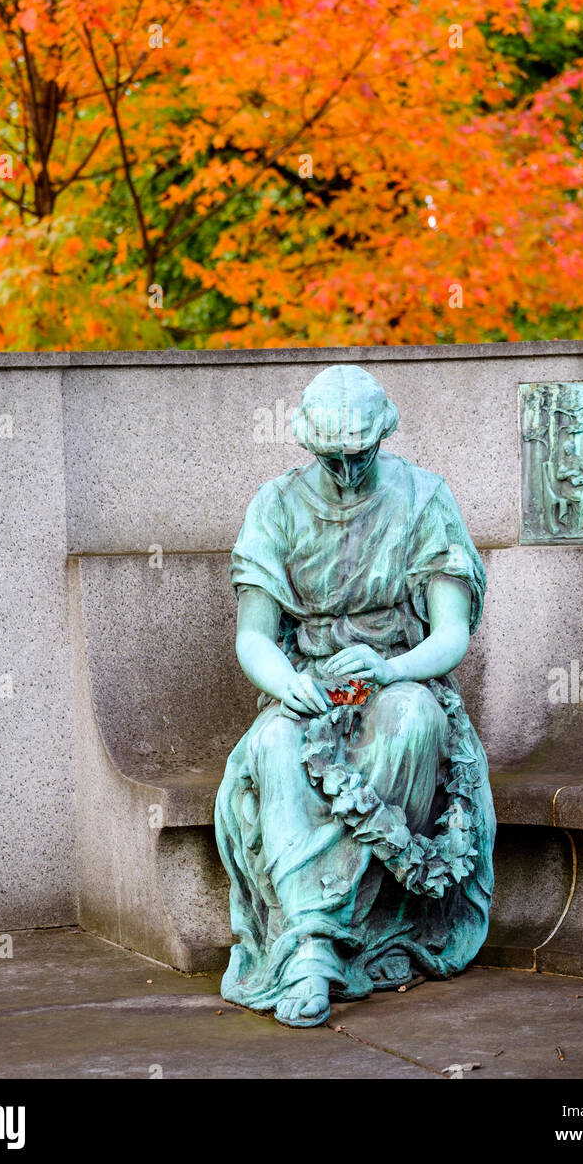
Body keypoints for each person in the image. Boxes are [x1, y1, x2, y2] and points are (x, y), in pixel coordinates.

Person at [214, 364, 495, 1028]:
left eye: (359, 455)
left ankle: (335, 935)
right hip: (308, 692)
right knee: (279, 744)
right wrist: (288, 684)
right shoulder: (275, 506)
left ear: (383, 437)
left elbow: (452, 631)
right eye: (330, 458)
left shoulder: (424, 499)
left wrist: (392, 669)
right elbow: (254, 637)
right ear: (309, 447)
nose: (345, 471)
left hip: (397, 684)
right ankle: (311, 945)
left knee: (412, 722)